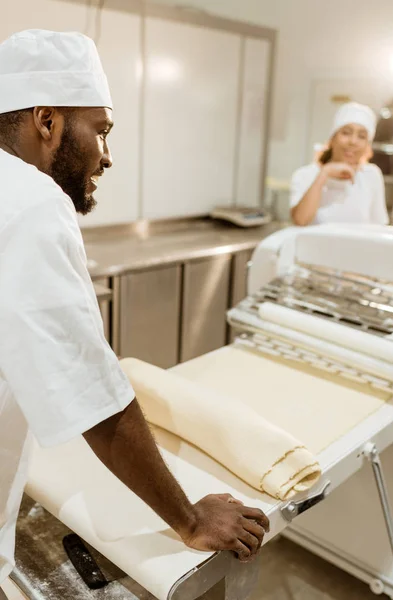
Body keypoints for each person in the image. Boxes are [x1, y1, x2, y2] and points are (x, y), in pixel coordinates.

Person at [0, 29, 269, 593]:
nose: (108, 155)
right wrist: (190, 520)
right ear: (46, 121)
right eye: (100, 131)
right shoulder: (31, 204)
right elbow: (91, 395)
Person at [290, 102, 390, 226]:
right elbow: (301, 220)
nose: (353, 141)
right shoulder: (305, 174)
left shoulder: (371, 175)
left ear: (366, 145)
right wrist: (324, 174)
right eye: (346, 133)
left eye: (362, 136)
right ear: (332, 138)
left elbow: (379, 226)